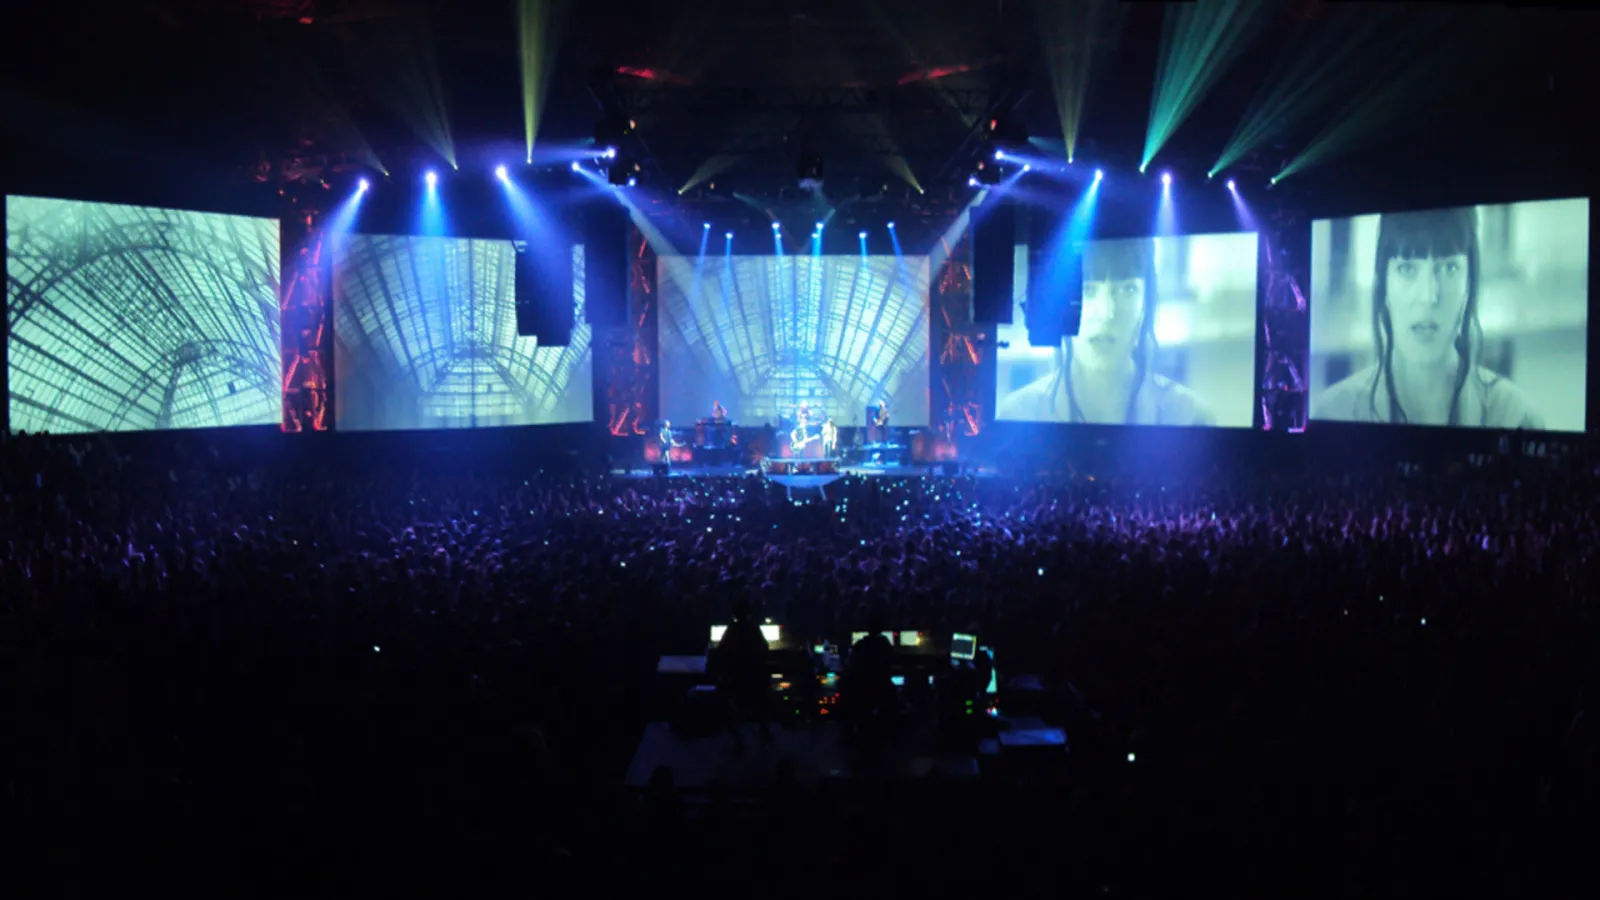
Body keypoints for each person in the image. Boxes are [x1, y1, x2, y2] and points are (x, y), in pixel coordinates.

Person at [1314, 207, 1543, 428]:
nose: (1429, 296)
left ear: (1469, 284)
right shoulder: (1335, 413)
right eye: (1407, 269)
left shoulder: (1515, 418)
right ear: (1383, 285)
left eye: (1450, 268)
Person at [996, 238, 1215, 425]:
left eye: (1128, 289)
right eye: (1088, 290)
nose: (1107, 312)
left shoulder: (1190, 415)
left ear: (1146, 304)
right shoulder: (1018, 413)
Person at [710, 599, 773, 745]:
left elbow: (721, 651)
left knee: (723, 697)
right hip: (754, 677)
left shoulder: (732, 630)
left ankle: (735, 735)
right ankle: (764, 728)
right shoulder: (753, 628)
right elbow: (765, 648)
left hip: (735, 678)